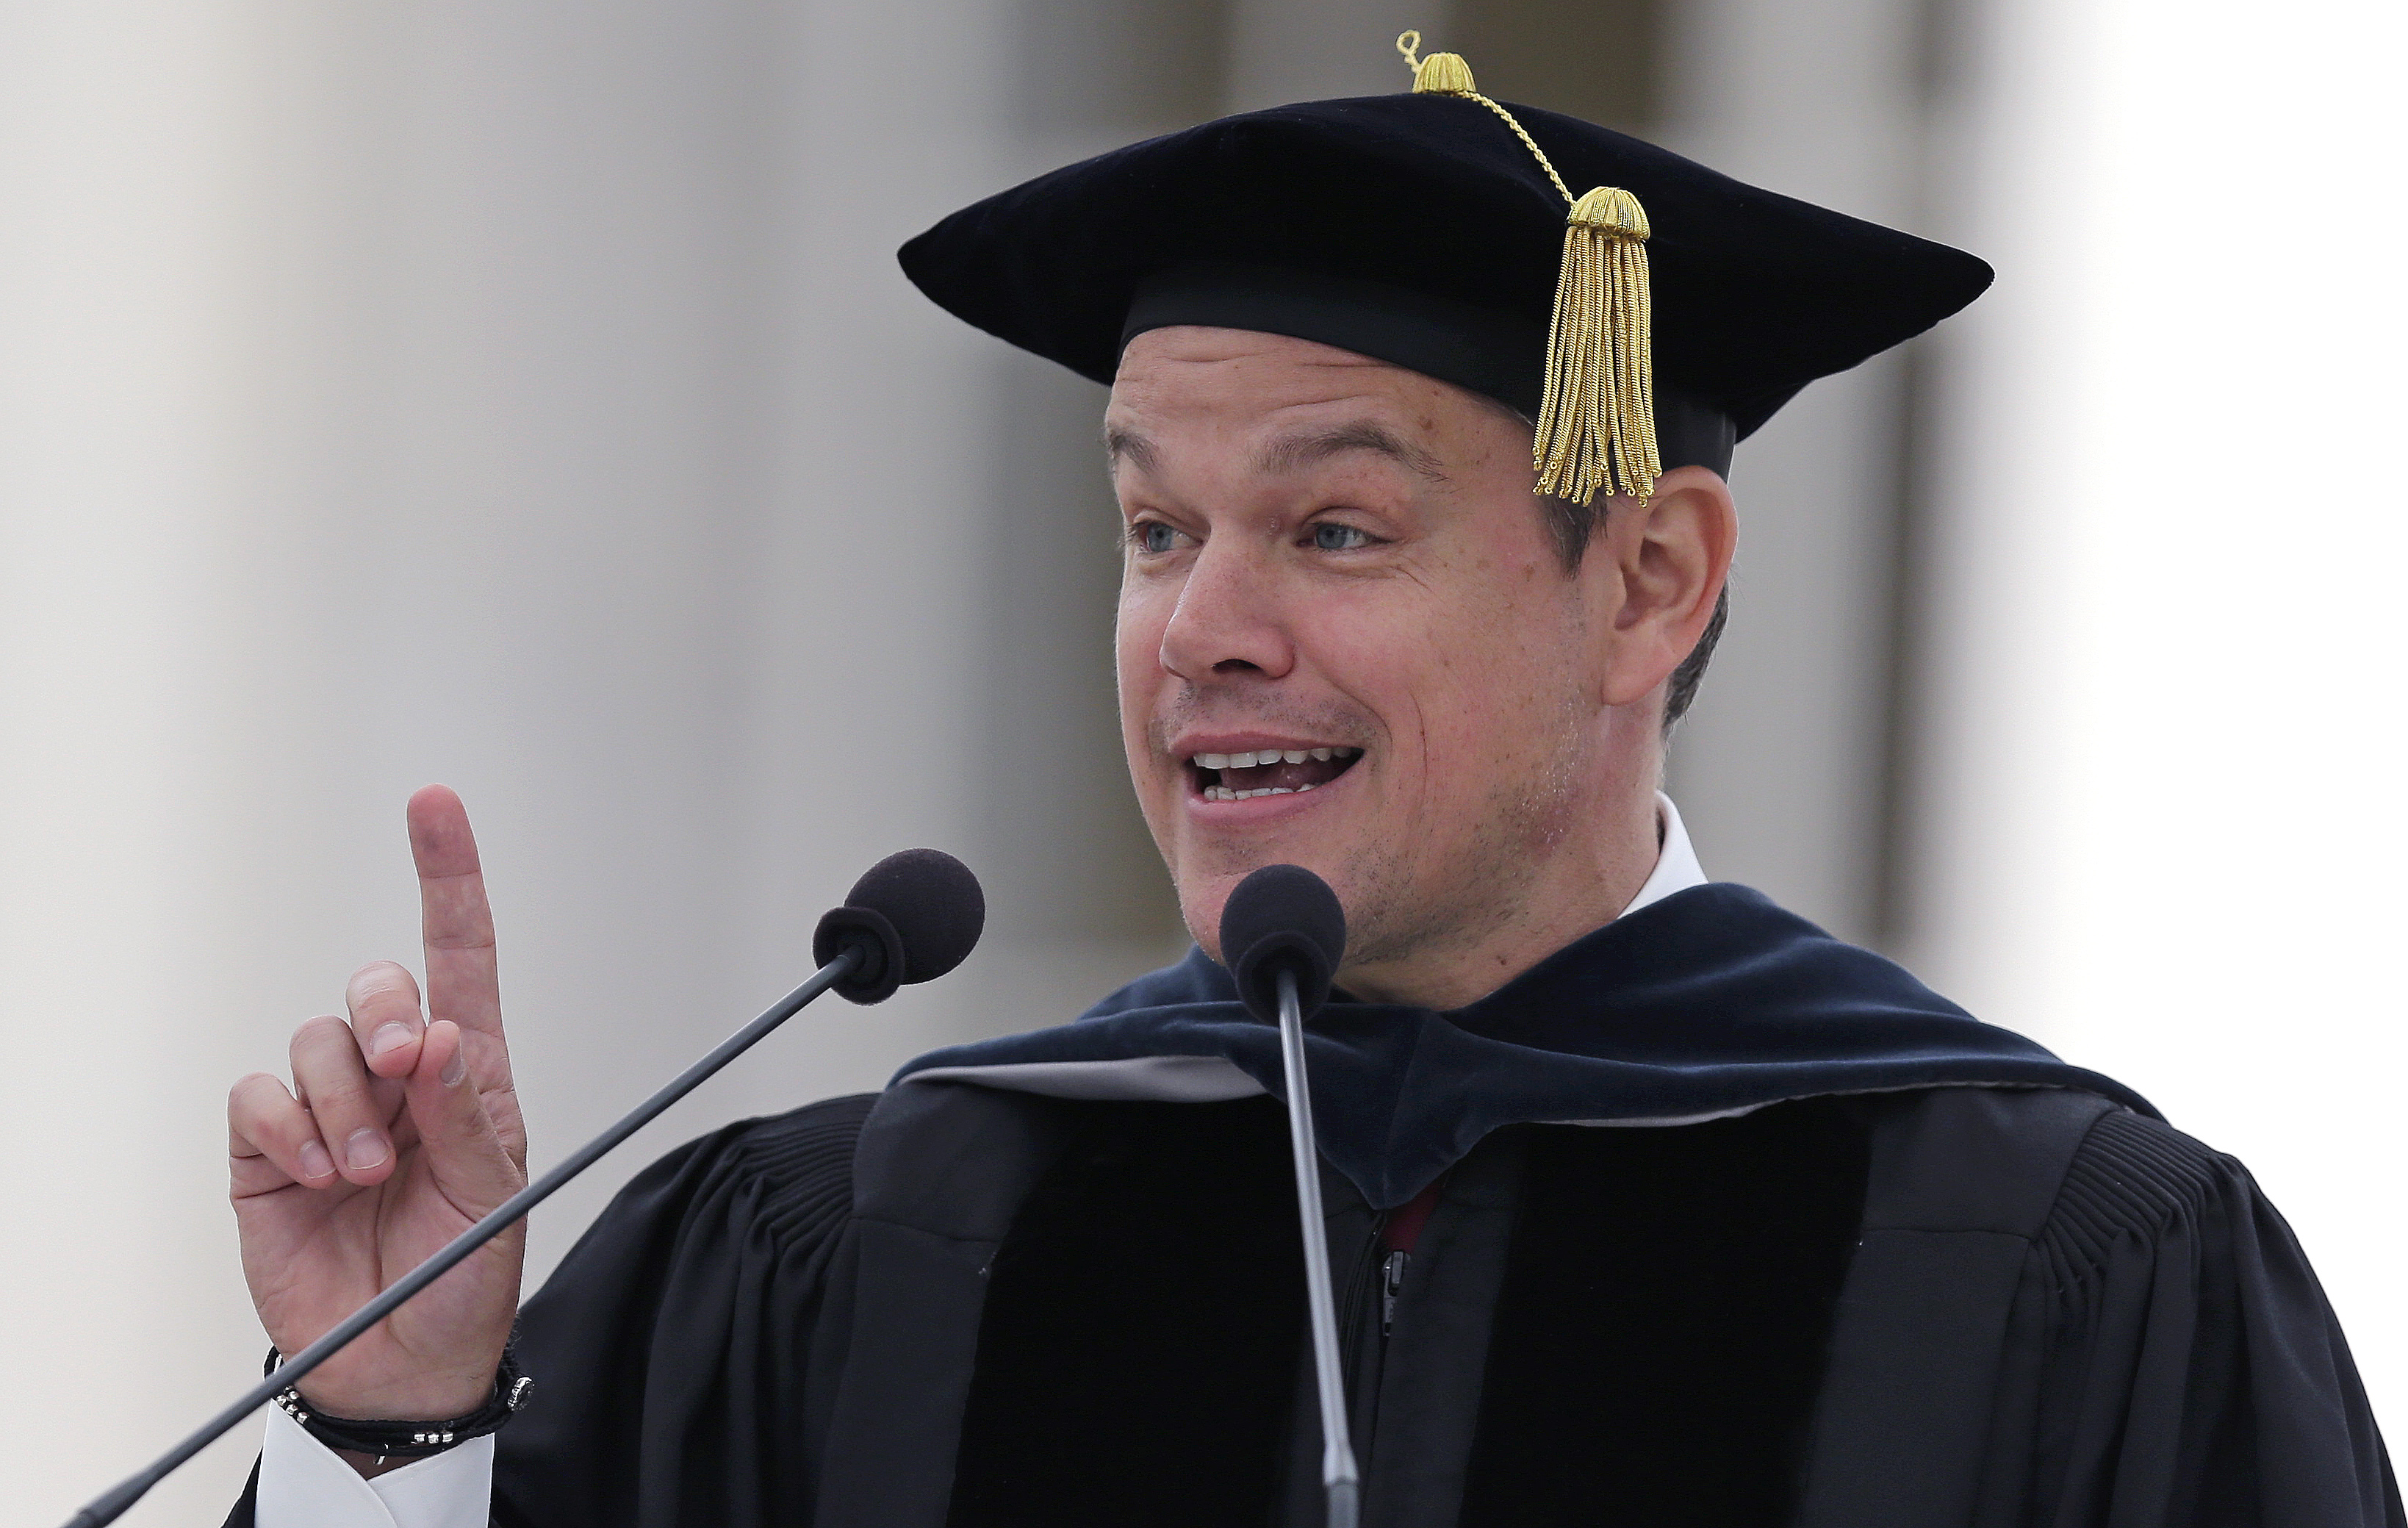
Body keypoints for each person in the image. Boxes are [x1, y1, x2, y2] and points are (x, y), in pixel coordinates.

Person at [221, 39, 2399, 1528]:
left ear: (1649, 581)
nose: (1203, 629)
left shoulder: (2055, 1264)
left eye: (1334, 531)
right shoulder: (875, 1249)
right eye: (1157, 531)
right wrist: (393, 1430)